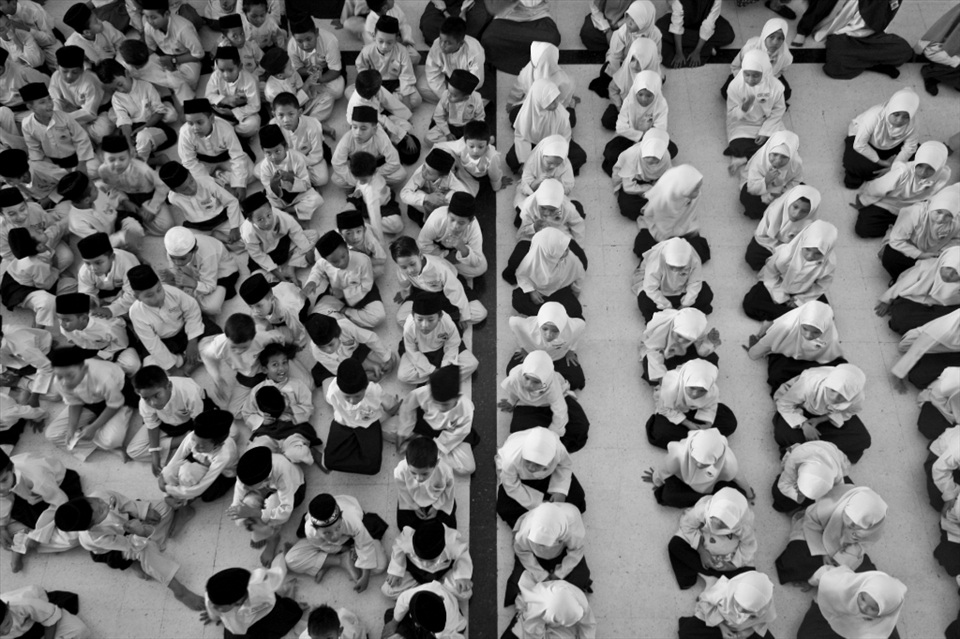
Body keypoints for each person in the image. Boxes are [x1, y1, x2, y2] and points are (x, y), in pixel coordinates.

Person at [54, 491, 205, 609]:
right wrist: (140, 533)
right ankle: (179, 591)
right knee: (146, 549)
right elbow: (128, 544)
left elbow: (125, 503)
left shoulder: (100, 494)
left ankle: (150, 555)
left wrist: (143, 512)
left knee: (163, 508)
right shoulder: (94, 537)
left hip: (129, 524)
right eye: (100, 512)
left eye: (97, 502)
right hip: (115, 548)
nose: (103, 505)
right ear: (91, 525)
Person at [775, 482, 887, 585]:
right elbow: (811, 522)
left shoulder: (874, 528)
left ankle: (821, 577)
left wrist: (841, 559)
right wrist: (823, 552)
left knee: (869, 579)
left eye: (858, 525)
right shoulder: (831, 505)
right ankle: (820, 578)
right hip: (816, 534)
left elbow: (862, 545)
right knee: (794, 559)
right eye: (848, 517)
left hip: (843, 548)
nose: (850, 524)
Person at [127, 264, 222, 376]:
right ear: (137, 297)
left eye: (159, 290)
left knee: (218, 340)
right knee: (152, 371)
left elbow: (192, 309)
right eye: (149, 295)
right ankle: (185, 358)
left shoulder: (172, 292)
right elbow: (154, 345)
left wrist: (192, 341)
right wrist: (174, 370)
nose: (158, 297)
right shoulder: (136, 313)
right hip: (165, 342)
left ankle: (187, 365)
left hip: (186, 329)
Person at [43, 346, 133, 462]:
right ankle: (106, 448)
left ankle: (104, 442)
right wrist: (72, 428)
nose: (65, 382)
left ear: (84, 369)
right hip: (89, 401)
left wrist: (94, 427)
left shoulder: (103, 377)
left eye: (70, 375)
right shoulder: (59, 382)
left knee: (111, 441)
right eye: (60, 376)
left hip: (119, 396)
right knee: (53, 435)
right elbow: (74, 403)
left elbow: (115, 404)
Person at [0, 448, 83, 573]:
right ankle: (21, 536)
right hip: (26, 496)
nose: (1, 488)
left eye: (3, 480)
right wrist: (1, 527)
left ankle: (22, 539)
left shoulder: (38, 479)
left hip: (60, 490)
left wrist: (38, 535)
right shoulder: (6, 483)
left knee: (73, 535)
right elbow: (4, 498)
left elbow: (60, 502)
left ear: (12, 469)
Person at [284, 493, 387, 589]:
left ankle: (326, 562)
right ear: (315, 529)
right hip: (331, 545)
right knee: (291, 560)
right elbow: (322, 545)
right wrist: (345, 549)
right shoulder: (310, 530)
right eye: (327, 532)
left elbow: (365, 544)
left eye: (338, 528)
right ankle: (341, 560)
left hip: (352, 537)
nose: (335, 536)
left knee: (380, 565)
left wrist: (365, 575)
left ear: (341, 517)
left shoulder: (352, 520)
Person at [773, 363, 871, 463]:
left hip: (826, 415)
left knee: (863, 440)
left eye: (842, 396)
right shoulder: (809, 385)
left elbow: (849, 412)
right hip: (801, 407)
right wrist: (804, 425)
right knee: (791, 436)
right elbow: (784, 403)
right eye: (832, 390)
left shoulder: (857, 398)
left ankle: (814, 453)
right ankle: (821, 454)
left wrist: (819, 420)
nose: (835, 397)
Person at [743, 220, 838, 322]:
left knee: (827, 317)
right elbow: (770, 274)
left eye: (818, 254)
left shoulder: (829, 264)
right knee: (750, 304)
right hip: (778, 285)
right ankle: (796, 319)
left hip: (804, 290)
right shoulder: (786, 253)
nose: (810, 256)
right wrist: (781, 296)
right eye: (807, 249)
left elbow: (821, 286)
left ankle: (782, 317)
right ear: (803, 241)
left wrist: (799, 301)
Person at [853, 141, 952, 239]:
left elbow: (931, 195)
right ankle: (895, 229)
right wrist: (863, 201)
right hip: (888, 203)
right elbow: (877, 188)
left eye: (930, 169)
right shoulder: (902, 172)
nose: (922, 172)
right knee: (863, 229)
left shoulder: (943, 174)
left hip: (911, 207)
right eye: (920, 166)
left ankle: (897, 228)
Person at [500, 350, 590, 453]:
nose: (529, 385)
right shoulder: (516, 376)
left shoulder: (552, 386)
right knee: (520, 433)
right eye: (527, 378)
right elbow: (514, 389)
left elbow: (560, 410)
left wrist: (553, 435)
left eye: (536, 382)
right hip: (528, 404)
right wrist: (511, 401)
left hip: (553, 400)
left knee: (579, 427)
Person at [158, 408, 238, 525]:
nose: (195, 448)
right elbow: (176, 459)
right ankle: (178, 500)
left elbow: (202, 486)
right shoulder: (193, 437)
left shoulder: (224, 454)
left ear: (218, 444)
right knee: (169, 471)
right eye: (194, 441)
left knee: (189, 476)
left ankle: (184, 508)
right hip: (201, 461)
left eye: (201, 446)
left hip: (222, 475)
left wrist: (168, 489)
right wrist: (165, 486)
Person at [495, 427, 586, 528]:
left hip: (547, 475)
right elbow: (511, 486)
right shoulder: (510, 459)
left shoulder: (558, 449)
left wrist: (560, 490)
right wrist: (539, 504)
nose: (531, 468)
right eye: (527, 461)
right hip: (520, 480)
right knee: (505, 509)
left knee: (577, 498)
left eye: (538, 464)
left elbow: (564, 465)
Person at [746, 300, 846, 393]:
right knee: (777, 376)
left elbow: (831, 353)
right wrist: (753, 352)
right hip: (786, 355)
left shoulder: (830, 334)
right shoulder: (785, 326)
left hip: (812, 360)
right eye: (805, 328)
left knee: (841, 372)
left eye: (816, 332)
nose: (808, 335)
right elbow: (766, 343)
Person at [227, 446, 305, 564]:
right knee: (249, 502)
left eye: (248, 486)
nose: (244, 487)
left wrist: (255, 513)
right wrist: (241, 516)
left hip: (294, 490)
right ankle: (261, 530)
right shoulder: (245, 474)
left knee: (272, 504)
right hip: (266, 488)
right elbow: (238, 501)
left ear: (265, 478)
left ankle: (273, 538)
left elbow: (285, 512)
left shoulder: (282, 473)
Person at [504, 502, 591, 606]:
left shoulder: (572, 530)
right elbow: (521, 550)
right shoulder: (527, 530)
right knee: (518, 583)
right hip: (534, 555)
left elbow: (576, 550)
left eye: (544, 544)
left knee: (580, 576)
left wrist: (560, 573)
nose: (540, 546)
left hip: (561, 551)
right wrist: (541, 575)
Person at [642, 428, 755, 508]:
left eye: (706, 463)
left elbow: (739, 477)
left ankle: (707, 500)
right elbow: (666, 467)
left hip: (711, 483)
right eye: (696, 459)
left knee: (741, 496)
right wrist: (656, 478)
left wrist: (749, 493)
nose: (699, 465)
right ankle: (708, 501)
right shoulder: (680, 453)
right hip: (684, 478)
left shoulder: (728, 463)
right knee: (667, 496)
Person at [668, 487, 757, 589]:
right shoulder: (703, 510)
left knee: (751, 581)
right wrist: (702, 551)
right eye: (715, 520)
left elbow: (748, 545)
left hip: (729, 556)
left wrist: (733, 565)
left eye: (724, 524)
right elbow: (687, 524)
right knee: (675, 544)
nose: (717, 525)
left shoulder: (743, 525)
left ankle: (709, 574)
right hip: (703, 544)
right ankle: (713, 578)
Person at [391, 235, 487, 328]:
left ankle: (439, 321)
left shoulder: (439, 268)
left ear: (420, 255)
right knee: (401, 318)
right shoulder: (402, 268)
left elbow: (456, 291)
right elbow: (407, 282)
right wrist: (406, 293)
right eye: (404, 267)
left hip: (448, 290)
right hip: (422, 292)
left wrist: (464, 316)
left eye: (412, 264)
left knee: (480, 313)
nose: (410, 270)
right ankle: (436, 324)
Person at [803, 0, 913, 80]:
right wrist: (822, 34)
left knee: (905, 51)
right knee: (836, 60)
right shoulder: (857, 2)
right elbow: (840, 20)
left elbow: (884, 23)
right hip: (848, 37)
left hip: (875, 38)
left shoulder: (894, 1)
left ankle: (862, 61)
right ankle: (876, 65)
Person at [127, 365, 210, 469]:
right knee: (133, 451)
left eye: (157, 395)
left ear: (169, 386)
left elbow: (198, 420)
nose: (153, 403)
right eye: (146, 398)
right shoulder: (144, 403)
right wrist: (155, 454)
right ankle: (183, 440)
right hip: (165, 423)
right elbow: (152, 424)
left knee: (211, 439)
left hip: (191, 422)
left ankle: (181, 447)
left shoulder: (189, 392)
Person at [324, 358, 397, 475]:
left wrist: (398, 410)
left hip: (368, 425)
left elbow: (391, 405)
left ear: (366, 386)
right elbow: (329, 399)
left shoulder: (374, 390)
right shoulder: (333, 390)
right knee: (329, 462)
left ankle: (355, 447)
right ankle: (357, 447)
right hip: (343, 423)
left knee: (373, 467)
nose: (352, 400)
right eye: (347, 397)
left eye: (358, 396)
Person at [202, 557, 305, 637]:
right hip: (245, 620)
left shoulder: (259, 588)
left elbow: (278, 573)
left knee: (288, 615)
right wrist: (214, 615)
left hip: (266, 610)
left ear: (239, 600)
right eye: (213, 604)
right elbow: (214, 607)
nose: (215, 608)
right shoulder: (212, 597)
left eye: (219, 606)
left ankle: (290, 590)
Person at [798, 565, 907, 639]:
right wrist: (810, 582)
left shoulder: (882, 620)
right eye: (862, 598)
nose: (863, 607)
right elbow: (825, 574)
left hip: (857, 627)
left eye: (873, 608)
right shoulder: (841, 585)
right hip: (830, 610)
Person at [647, 358, 737, 447]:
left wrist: (707, 424)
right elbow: (664, 408)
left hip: (696, 409)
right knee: (660, 433)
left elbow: (711, 405)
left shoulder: (712, 390)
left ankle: (693, 439)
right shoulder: (671, 386)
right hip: (673, 410)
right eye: (692, 388)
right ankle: (703, 439)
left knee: (729, 423)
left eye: (702, 391)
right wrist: (687, 423)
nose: (695, 394)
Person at [178, 98, 255, 202]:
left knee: (251, 174)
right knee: (192, 182)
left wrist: (240, 184)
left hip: (226, 157)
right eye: (190, 123)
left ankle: (220, 176)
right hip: (204, 162)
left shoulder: (225, 128)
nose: (195, 128)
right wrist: (208, 183)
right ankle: (218, 179)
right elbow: (189, 162)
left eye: (200, 122)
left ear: (211, 119)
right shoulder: (185, 134)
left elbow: (237, 156)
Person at [305, 230, 385, 329]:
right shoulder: (323, 262)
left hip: (362, 292)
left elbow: (367, 285)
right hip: (335, 293)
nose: (342, 263)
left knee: (378, 317)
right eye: (335, 262)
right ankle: (343, 319)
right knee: (316, 318)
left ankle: (344, 313)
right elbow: (317, 270)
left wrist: (345, 294)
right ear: (326, 260)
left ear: (347, 248)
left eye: (343, 256)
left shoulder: (363, 260)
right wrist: (312, 281)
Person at [842, 88, 919, 189]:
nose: (899, 120)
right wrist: (880, 161)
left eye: (906, 117)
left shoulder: (913, 123)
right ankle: (877, 174)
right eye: (896, 114)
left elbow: (910, 147)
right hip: (865, 141)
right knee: (854, 164)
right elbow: (860, 144)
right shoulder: (874, 116)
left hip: (892, 144)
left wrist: (893, 166)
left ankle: (879, 173)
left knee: (922, 155)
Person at [880, 182, 960, 280]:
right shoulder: (914, 213)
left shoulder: (956, 222)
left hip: (935, 253)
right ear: (933, 205)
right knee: (890, 258)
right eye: (938, 212)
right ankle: (901, 280)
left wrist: (942, 251)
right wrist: (920, 254)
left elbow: (956, 240)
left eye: (949, 215)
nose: (941, 218)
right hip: (910, 247)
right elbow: (896, 240)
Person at [724, 50, 786, 175]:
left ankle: (745, 158)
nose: (750, 79)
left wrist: (765, 131)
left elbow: (778, 110)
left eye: (756, 76)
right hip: (743, 124)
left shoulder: (776, 86)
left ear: (765, 72)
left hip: (768, 122)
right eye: (747, 74)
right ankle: (758, 158)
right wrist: (744, 108)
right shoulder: (735, 86)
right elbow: (731, 114)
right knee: (738, 146)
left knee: (785, 146)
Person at [0, 227, 78, 328]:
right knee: (56, 295)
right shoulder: (37, 264)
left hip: (16, 278)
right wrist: (55, 269)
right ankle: (39, 330)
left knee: (64, 267)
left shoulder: (33, 251)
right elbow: (46, 285)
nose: (41, 230)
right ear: (40, 247)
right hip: (21, 291)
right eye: (38, 231)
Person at [507, 79, 586, 176]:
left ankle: (547, 173)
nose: (556, 104)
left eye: (556, 99)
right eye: (551, 102)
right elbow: (521, 137)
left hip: (555, 142)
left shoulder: (560, 113)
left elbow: (565, 137)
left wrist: (556, 156)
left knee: (579, 156)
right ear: (539, 102)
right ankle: (550, 173)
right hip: (532, 142)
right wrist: (525, 163)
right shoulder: (527, 114)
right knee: (512, 159)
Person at [602, 71, 675, 176]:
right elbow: (621, 128)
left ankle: (637, 166)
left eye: (649, 95)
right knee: (611, 153)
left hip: (650, 139)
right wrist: (639, 137)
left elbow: (660, 129)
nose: (643, 99)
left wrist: (645, 142)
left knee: (672, 150)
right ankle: (640, 167)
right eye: (640, 94)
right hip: (629, 136)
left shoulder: (661, 105)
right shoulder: (629, 101)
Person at [633, 164, 710, 264]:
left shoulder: (695, 195)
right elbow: (662, 225)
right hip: (660, 232)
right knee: (647, 250)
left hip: (682, 229)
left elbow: (689, 217)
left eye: (699, 188)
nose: (698, 192)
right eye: (695, 189)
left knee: (699, 253)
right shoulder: (665, 200)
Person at [158, 161, 244, 251]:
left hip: (221, 218)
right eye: (185, 189)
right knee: (186, 246)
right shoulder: (173, 199)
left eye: (191, 181)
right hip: (198, 226)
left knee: (246, 239)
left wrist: (234, 227)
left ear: (190, 173)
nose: (192, 188)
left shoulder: (207, 183)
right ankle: (216, 238)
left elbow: (232, 202)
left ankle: (217, 241)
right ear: (174, 190)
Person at [396, 293, 479, 385]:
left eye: (430, 320)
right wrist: (431, 370)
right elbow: (412, 351)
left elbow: (452, 345)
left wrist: (445, 366)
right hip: (419, 350)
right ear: (412, 315)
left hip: (442, 347)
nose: (424, 325)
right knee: (403, 375)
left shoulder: (447, 322)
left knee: (471, 363)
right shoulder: (409, 326)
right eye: (420, 319)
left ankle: (434, 382)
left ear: (440, 316)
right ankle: (441, 381)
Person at [875, 246, 960, 335]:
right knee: (900, 321)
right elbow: (903, 284)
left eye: (957, 273)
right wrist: (887, 300)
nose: (949, 274)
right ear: (943, 261)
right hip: (916, 297)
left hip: (941, 306)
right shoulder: (926, 267)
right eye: (948, 268)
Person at [239, 191, 319, 283]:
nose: (267, 222)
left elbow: (295, 230)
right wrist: (276, 272)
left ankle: (290, 267)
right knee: (257, 277)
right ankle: (285, 272)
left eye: (269, 215)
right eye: (260, 219)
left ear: (271, 208)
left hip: (284, 244)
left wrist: (307, 250)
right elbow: (257, 254)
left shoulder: (278, 214)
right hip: (266, 254)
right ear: (250, 220)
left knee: (313, 235)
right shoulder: (247, 232)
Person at [382, 519, 473, 601]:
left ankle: (421, 592)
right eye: (421, 559)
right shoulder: (408, 539)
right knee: (388, 590)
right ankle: (434, 591)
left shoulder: (451, 542)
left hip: (442, 573)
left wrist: (462, 576)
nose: (426, 563)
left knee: (465, 594)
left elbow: (463, 552)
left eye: (431, 560)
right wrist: (396, 571)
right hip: (416, 572)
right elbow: (398, 546)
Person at [21, 82, 99, 176]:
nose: (49, 104)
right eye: (42, 102)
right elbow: (34, 149)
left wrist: (82, 164)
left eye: (50, 99)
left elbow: (82, 139)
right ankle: (65, 175)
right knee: (34, 166)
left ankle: (67, 175)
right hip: (54, 162)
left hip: (76, 157)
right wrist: (44, 166)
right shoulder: (27, 124)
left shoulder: (64, 118)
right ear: (30, 107)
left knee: (96, 168)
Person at [305, 312, 396, 392]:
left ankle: (367, 364)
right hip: (336, 365)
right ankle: (366, 365)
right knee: (332, 395)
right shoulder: (315, 351)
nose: (328, 350)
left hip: (356, 351)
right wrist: (363, 377)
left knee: (391, 359)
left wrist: (387, 359)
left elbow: (370, 338)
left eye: (331, 344)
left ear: (338, 333)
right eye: (322, 347)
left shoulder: (345, 327)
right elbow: (339, 369)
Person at [161, 227, 239, 317]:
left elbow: (210, 286)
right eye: (173, 258)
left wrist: (192, 283)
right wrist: (173, 276)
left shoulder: (207, 256)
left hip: (221, 275)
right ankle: (190, 297)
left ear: (195, 250)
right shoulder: (173, 250)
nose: (177, 262)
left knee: (212, 307)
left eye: (182, 258)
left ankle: (190, 300)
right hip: (195, 273)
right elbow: (175, 268)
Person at [347, 69, 419, 166]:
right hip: (368, 126)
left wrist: (405, 116)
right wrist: (405, 137)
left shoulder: (372, 89)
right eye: (378, 87)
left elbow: (390, 101)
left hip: (379, 115)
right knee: (377, 144)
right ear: (371, 91)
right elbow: (383, 122)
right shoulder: (360, 106)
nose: (380, 87)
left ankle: (394, 143)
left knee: (408, 127)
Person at [55, 292, 140, 375]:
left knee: (131, 365)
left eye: (67, 320)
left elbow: (122, 344)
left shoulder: (108, 327)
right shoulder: (66, 328)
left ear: (84, 317)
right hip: (89, 349)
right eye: (59, 318)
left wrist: (99, 357)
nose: (62, 324)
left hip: (116, 347)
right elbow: (81, 345)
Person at [509, 302, 586, 390]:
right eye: (545, 328)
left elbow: (580, 328)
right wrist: (523, 347)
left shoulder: (573, 327)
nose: (549, 335)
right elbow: (513, 323)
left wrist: (571, 350)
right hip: (534, 356)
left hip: (558, 357)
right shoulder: (528, 326)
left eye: (555, 330)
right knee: (511, 374)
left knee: (577, 382)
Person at [634, 237, 713, 323]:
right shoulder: (656, 261)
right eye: (672, 267)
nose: (676, 271)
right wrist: (667, 306)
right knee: (645, 302)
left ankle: (673, 315)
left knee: (706, 295)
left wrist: (685, 304)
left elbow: (695, 282)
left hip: (682, 289)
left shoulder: (693, 259)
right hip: (660, 291)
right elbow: (651, 288)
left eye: (681, 268)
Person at [513, 227, 586, 320]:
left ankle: (546, 317)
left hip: (559, 290)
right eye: (561, 249)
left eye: (565, 246)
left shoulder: (571, 259)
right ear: (548, 253)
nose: (567, 250)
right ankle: (552, 317)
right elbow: (521, 274)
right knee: (518, 301)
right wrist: (531, 291)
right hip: (537, 291)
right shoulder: (534, 258)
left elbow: (580, 276)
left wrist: (574, 295)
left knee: (575, 311)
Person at [677, 571, 776, 639]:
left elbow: (761, 622)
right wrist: (722, 627)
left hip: (742, 629)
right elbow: (704, 602)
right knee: (687, 632)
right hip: (720, 621)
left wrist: (746, 632)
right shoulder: (724, 590)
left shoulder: (765, 608)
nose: (740, 609)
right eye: (737, 603)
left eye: (747, 610)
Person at [48, 46, 114, 145]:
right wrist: (57, 116)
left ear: (82, 69)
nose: (69, 76)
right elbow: (56, 100)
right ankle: (78, 131)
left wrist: (63, 120)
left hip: (99, 110)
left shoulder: (90, 82)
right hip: (74, 109)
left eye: (74, 72)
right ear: (57, 67)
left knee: (102, 132)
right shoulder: (56, 76)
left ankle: (77, 132)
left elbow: (90, 113)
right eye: (65, 71)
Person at [746, 185, 820, 272]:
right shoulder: (774, 211)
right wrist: (778, 249)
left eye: (804, 211)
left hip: (786, 249)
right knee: (753, 259)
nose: (796, 214)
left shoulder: (810, 224)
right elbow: (762, 236)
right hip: (769, 242)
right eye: (795, 207)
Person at [331, 105, 407, 190]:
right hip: (357, 166)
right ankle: (364, 189)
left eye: (363, 129)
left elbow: (394, 162)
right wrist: (358, 182)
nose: (357, 133)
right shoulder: (347, 139)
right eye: (354, 127)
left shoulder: (381, 137)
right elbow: (337, 163)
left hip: (376, 165)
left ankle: (375, 188)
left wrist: (373, 175)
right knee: (336, 178)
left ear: (374, 129)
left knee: (401, 174)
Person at [504, 571, 597, 639]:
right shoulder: (537, 610)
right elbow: (534, 633)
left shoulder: (579, 601)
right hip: (537, 618)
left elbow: (589, 623)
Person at [639, 307, 719, 385]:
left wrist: (708, 341)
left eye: (687, 339)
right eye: (679, 336)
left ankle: (682, 376)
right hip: (663, 354)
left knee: (712, 358)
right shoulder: (661, 330)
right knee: (650, 367)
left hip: (683, 352)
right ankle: (684, 376)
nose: (681, 341)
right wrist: (662, 378)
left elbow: (699, 346)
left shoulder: (696, 328)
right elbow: (653, 353)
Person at [287, 17, 345, 123]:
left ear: (316, 32)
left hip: (325, 72)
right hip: (307, 74)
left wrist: (320, 79)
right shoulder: (292, 46)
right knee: (289, 89)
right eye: (299, 41)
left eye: (309, 39)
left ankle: (311, 102)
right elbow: (297, 70)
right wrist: (309, 73)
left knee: (338, 91)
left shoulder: (330, 41)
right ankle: (314, 101)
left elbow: (335, 70)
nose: (305, 45)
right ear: (294, 38)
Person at [417, 192, 487, 280]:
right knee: (419, 258)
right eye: (452, 219)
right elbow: (422, 244)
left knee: (481, 268)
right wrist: (444, 255)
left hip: (458, 251)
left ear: (471, 221)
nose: (455, 226)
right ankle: (448, 269)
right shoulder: (436, 219)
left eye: (461, 223)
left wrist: (463, 249)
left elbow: (477, 261)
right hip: (437, 249)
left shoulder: (474, 228)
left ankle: (446, 269)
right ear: (447, 213)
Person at [393, 436, 458, 530]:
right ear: (407, 462)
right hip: (412, 498)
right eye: (413, 473)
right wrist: (414, 506)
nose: (418, 478)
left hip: (437, 499)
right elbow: (402, 490)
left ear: (436, 463)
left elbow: (448, 490)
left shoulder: (445, 471)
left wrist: (436, 507)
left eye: (424, 473)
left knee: (449, 527)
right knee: (404, 526)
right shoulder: (401, 470)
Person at [356, 15, 420, 110]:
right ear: (374, 36)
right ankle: (390, 104)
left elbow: (406, 76)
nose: (384, 46)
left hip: (395, 84)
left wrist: (406, 104)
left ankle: (380, 105)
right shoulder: (367, 51)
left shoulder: (402, 51)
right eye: (380, 41)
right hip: (375, 85)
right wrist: (370, 87)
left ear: (397, 39)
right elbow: (361, 69)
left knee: (416, 99)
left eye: (389, 42)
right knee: (350, 93)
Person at [481, 0, 561, 76]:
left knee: (552, 37)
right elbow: (493, 9)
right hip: (507, 19)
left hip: (537, 17)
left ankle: (529, 57)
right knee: (488, 39)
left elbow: (532, 3)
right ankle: (533, 58)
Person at [721, 18, 792, 101]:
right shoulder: (750, 48)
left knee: (785, 94)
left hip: (768, 77)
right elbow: (736, 66)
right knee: (726, 92)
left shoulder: (785, 54)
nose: (775, 42)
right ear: (765, 35)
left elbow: (780, 71)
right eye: (771, 37)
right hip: (747, 76)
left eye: (780, 38)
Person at [140, 0, 204, 92]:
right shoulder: (148, 26)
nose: (150, 21)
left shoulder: (184, 29)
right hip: (164, 56)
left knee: (191, 78)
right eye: (146, 17)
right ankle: (173, 83)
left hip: (186, 57)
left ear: (166, 14)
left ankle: (167, 85)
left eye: (153, 17)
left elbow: (199, 55)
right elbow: (151, 48)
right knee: (142, 69)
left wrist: (173, 60)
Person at [418, 16, 486, 102]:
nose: (442, 45)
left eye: (448, 43)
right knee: (421, 86)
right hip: (447, 79)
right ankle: (456, 106)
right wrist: (447, 98)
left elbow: (476, 81)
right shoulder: (436, 47)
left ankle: (456, 105)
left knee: (481, 98)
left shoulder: (474, 51)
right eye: (441, 39)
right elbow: (432, 76)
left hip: (466, 85)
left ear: (460, 43)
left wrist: (457, 95)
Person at [399, 147, 471, 227]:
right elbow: (404, 194)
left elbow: (466, 195)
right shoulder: (421, 173)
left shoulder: (449, 178)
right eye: (424, 166)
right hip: (422, 201)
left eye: (429, 173)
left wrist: (445, 199)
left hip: (439, 201)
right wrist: (427, 197)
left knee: (453, 196)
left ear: (443, 176)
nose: (424, 172)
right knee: (417, 200)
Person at [773, 440, 851, 513]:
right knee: (779, 497)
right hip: (805, 450)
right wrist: (800, 494)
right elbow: (783, 484)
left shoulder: (836, 472)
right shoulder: (794, 461)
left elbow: (838, 491)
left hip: (831, 451)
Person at [740, 130, 803, 220]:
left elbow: (796, 180)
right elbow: (752, 188)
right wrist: (766, 180)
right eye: (775, 154)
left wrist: (783, 193)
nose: (778, 160)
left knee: (803, 194)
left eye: (784, 157)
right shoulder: (759, 162)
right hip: (761, 189)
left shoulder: (796, 163)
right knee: (749, 200)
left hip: (782, 190)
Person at [506, 42, 575, 123]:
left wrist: (512, 102)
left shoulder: (529, 70)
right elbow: (565, 98)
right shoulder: (564, 79)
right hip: (549, 113)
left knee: (515, 116)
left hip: (547, 111)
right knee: (570, 121)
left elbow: (517, 88)